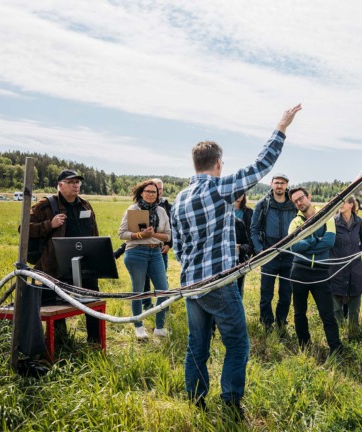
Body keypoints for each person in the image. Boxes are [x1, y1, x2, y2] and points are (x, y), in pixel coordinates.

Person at [171, 104, 301, 415]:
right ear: (217, 164)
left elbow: (177, 246)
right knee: (239, 345)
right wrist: (281, 128)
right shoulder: (218, 188)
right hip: (218, 283)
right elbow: (261, 165)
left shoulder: (179, 198)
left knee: (197, 346)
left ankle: (196, 400)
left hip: (190, 284)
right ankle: (230, 405)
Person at [29, 169, 101, 345]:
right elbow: (23, 229)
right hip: (55, 264)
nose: (75, 185)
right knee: (56, 303)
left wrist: (97, 256)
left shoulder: (85, 205)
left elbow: (94, 233)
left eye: (77, 182)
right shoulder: (45, 205)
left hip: (85, 264)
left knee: (92, 300)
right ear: (60, 185)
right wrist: (49, 224)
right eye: (70, 182)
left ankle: (95, 341)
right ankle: (60, 341)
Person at [288, 187, 343, 354]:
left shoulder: (326, 216)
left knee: (327, 313)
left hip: (320, 272)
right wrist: (314, 240)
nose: (299, 202)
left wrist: (307, 242)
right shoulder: (295, 222)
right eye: (296, 201)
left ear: (309, 197)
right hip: (299, 272)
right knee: (299, 313)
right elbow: (294, 246)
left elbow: (329, 241)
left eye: (301, 198)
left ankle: (336, 347)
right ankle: (304, 345)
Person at [118, 180, 170, 340]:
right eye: (147, 191)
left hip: (155, 253)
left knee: (164, 290)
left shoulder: (161, 211)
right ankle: (138, 327)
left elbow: (168, 235)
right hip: (136, 252)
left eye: (153, 192)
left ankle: (160, 327)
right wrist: (140, 235)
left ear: (157, 194)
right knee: (138, 291)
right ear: (141, 193)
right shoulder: (132, 210)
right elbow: (122, 234)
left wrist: (152, 234)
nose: (150, 194)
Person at [250, 173, 297, 332]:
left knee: (286, 293)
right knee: (266, 293)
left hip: (289, 255)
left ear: (286, 185)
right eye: (277, 182)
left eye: (282, 183)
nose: (279, 186)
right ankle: (266, 323)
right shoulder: (263, 204)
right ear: (271, 184)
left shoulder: (293, 204)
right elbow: (254, 230)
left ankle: (281, 322)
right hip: (269, 254)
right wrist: (260, 250)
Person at [329, 196, 362, 340]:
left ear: (351, 205)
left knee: (354, 305)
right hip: (336, 268)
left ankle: (353, 334)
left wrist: (354, 253)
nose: (339, 205)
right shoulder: (333, 221)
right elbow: (327, 242)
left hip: (354, 268)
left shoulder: (358, 222)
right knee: (336, 306)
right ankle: (338, 334)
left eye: (343, 202)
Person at [140, 178, 173, 310]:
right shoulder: (140, 206)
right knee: (144, 279)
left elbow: (172, 229)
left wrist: (169, 244)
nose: (157, 192)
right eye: (154, 189)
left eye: (159, 190)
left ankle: (163, 306)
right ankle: (147, 304)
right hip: (143, 248)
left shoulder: (168, 207)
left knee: (161, 277)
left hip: (161, 248)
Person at [233, 194, 254, 297]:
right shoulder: (221, 211)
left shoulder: (249, 212)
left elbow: (251, 235)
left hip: (241, 253)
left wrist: (244, 249)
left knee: (238, 285)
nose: (238, 195)